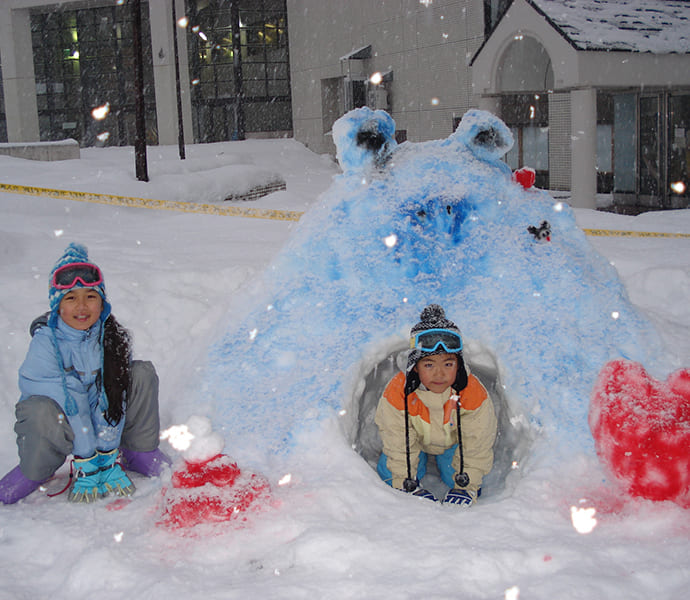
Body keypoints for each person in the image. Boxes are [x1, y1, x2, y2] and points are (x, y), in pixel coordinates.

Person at [0, 243, 170, 504]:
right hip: (63, 423)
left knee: (141, 373)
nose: (81, 306)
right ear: (58, 306)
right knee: (38, 410)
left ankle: (139, 451)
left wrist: (107, 451)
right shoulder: (46, 343)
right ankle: (36, 469)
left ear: (102, 303)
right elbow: (73, 401)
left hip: (97, 426)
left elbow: (113, 398)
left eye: (90, 296)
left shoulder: (112, 338)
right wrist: (88, 457)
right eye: (70, 298)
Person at [375, 304, 497, 506]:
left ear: (458, 365)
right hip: (416, 443)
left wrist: (467, 486)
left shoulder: (471, 391)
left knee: (456, 475)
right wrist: (406, 483)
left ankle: (452, 468)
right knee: (391, 471)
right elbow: (397, 440)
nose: (439, 374)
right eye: (429, 364)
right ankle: (413, 470)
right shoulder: (398, 391)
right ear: (415, 367)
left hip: (454, 445)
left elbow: (477, 441)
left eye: (448, 364)